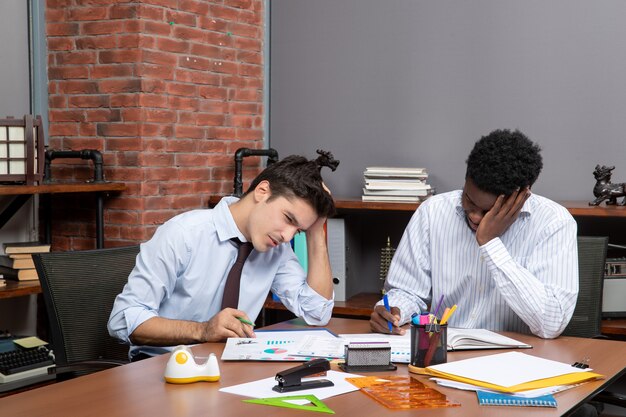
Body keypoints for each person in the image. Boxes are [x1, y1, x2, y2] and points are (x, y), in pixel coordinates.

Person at [108, 150, 338, 360]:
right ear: (262, 191)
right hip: (163, 367)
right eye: (288, 219)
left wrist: (316, 230)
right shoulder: (184, 234)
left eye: (298, 230)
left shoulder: (276, 248)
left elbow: (317, 312)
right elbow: (122, 319)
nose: (288, 236)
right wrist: (202, 330)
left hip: (230, 369)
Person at [370, 129, 579, 339]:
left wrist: (490, 244)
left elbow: (552, 324)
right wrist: (395, 310)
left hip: (515, 361)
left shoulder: (554, 223)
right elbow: (408, 291)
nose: (475, 217)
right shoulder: (432, 213)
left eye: (488, 211)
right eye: (469, 200)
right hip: (443, 355)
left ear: (522, 196)